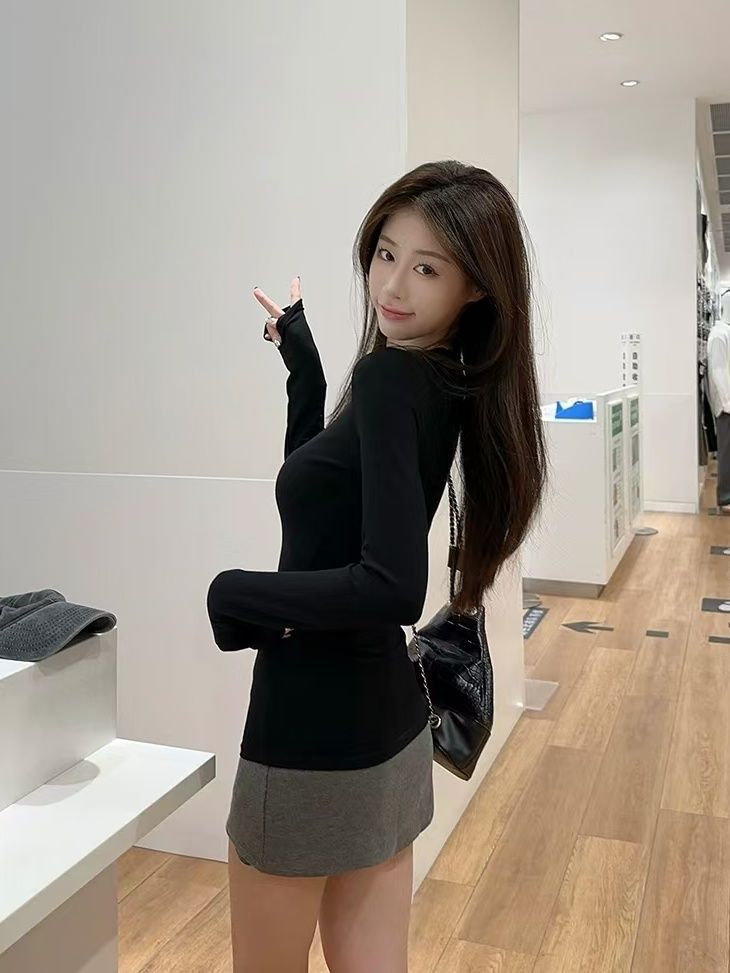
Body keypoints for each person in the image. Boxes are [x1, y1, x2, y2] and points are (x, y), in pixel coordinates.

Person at [206, 160, 548, 973]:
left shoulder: (392, 376)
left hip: (308, 724)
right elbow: (322, 511)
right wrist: (305, 371)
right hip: (387, 726)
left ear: (475, 288)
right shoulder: (437, 378)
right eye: (386, 253)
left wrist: (233, 593)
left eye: (427, 268)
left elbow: (392, 585)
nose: (392, 285)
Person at [707, 291, 730, 511]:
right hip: (726, 407)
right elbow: (718, 372)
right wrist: (727, 404)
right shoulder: (719, 335)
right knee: (726, 451)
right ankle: (726, 497)